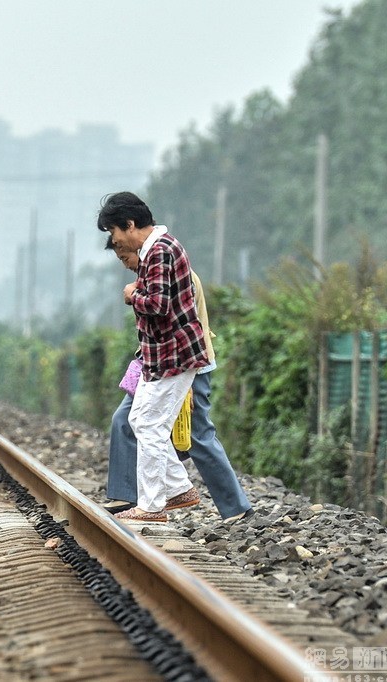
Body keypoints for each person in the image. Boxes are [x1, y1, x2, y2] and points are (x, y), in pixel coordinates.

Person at [103, 236, 253, 524]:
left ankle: (235, 506)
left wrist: (135, 296)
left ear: (136, 244)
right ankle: (131, 496)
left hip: (185, 364)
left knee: (197, 435)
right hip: (153, 365)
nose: (125, 264)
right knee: (126, 420)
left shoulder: (172, 271)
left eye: (124, 255)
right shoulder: (148, 271)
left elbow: (180, 325)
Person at [96, 191, 209, 523]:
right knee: (139, 421)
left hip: (174, 353)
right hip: (161, 355)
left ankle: (151, 505)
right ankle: (178, 488)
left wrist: (132, 295)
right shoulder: (158, 249)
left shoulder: (159, 251)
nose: (114, 240)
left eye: (114, 232)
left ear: (129, 225)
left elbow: (157, 305)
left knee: (149, 425)